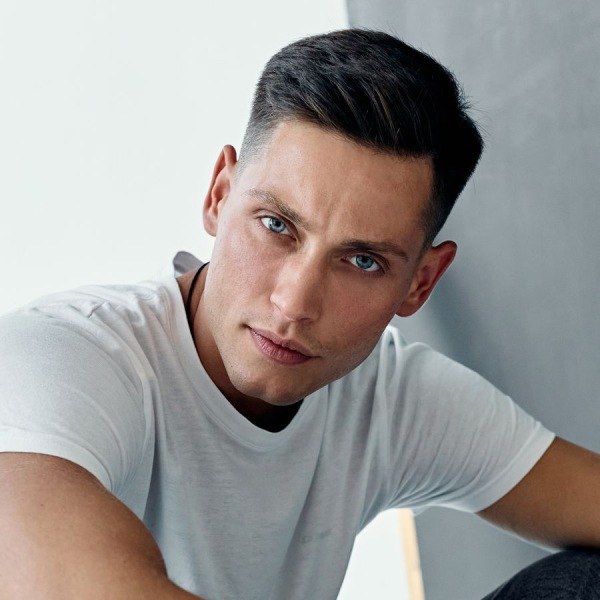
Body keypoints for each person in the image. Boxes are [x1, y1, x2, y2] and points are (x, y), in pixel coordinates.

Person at [0, 28, 599, 600]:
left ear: (420, 283)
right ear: (219, 195)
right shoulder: (61, 360)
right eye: (276, 225)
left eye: (361, 261)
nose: (294, 304)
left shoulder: (389, 404)